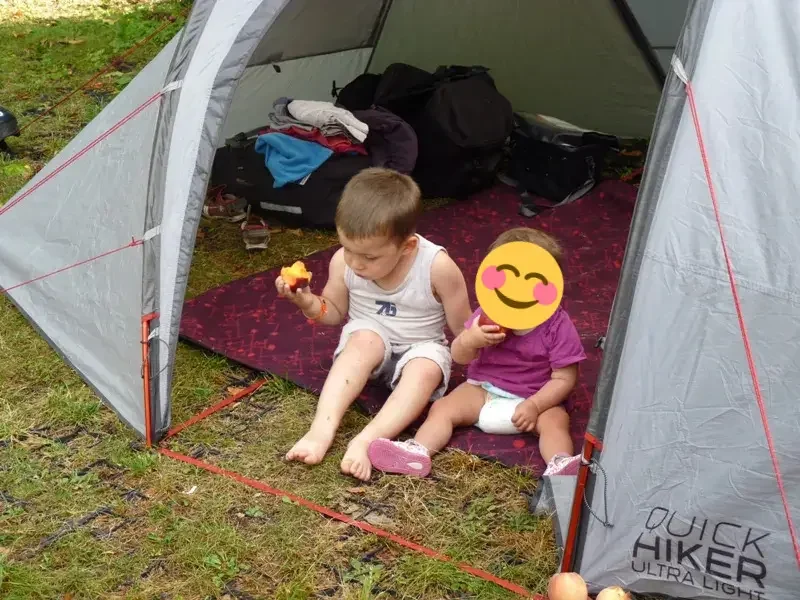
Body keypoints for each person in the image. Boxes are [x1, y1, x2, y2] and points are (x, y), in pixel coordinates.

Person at [275, 167, 472, 481]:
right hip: (370, 337)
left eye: (368, 256)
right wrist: (305, 301)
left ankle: (366, 440)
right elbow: (334, 311)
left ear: (407, 246)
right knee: (363, 338)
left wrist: (480, 337)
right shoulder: (344, 261)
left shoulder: (438, 268)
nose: (356, 263)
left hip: (420, 346)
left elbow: (463, 334)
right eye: (348, 248)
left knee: (425, 368)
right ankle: (320, 430)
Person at [367, 228, 587, 478]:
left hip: (535, 397)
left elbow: (565, 378)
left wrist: (535, 405)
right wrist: (470, 339)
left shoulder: (557, 324)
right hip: (483, 390)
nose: (517, 289)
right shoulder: (488, 312)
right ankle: (418, 451)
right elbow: (460, 357)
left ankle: (559, 465)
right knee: (443, 408)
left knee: (556, 421)